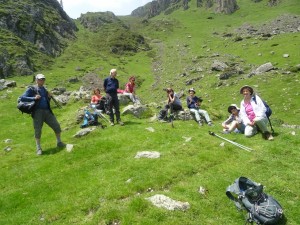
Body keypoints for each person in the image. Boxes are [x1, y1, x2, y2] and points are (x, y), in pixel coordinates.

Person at [19, 74, 66, 155]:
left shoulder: (44, 89)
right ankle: (38, 148)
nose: (42, 81)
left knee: (57, 126)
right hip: (37, 112)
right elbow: (21, 98)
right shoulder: (32, 89)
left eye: (43, 79)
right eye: (40, 79)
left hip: (47, 111)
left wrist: (49, 97)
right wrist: (34, 98)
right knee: (38, 130)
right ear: (36, 80)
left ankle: (59, 142)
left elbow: (45, 100)